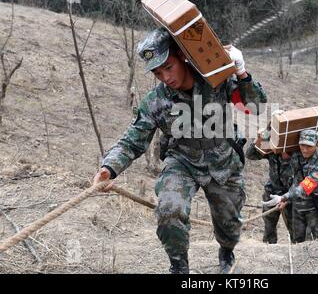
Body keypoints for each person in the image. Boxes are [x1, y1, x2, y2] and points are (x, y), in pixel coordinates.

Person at [92, 27, 267, 274]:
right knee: (169, 209)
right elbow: (132, 141)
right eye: (157, 72)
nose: (165, 77)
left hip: (223, 161)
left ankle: (226, 252)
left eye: (169, 67)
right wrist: (108, 169)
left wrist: (241, 71)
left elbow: (256, 107)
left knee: (229, 226)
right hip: (182, 161)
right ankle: (178, 267)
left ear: (182, 56)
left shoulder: (215, 79)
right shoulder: (155, 101)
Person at [262, 129, 318, 243]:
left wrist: (284, 197)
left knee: (312, 242)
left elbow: (305, 186)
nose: (305, 149)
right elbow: (294, 181)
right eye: (302, 145)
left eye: (309, 146)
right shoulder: (297, 156)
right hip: (297, 207)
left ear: (317, 145)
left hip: (314, 208)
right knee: (296, 241)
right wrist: (267, 131)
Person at [245, 124, 295, 244]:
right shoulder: (272, 148)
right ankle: (269, 248)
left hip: (292, 194)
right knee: (269, 225)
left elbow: (302, 183)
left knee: (294, 228)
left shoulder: (299, 152)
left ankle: (295, 250)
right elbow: (250, 154)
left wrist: (286, 199)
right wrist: (260, 138)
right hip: (272, 191)